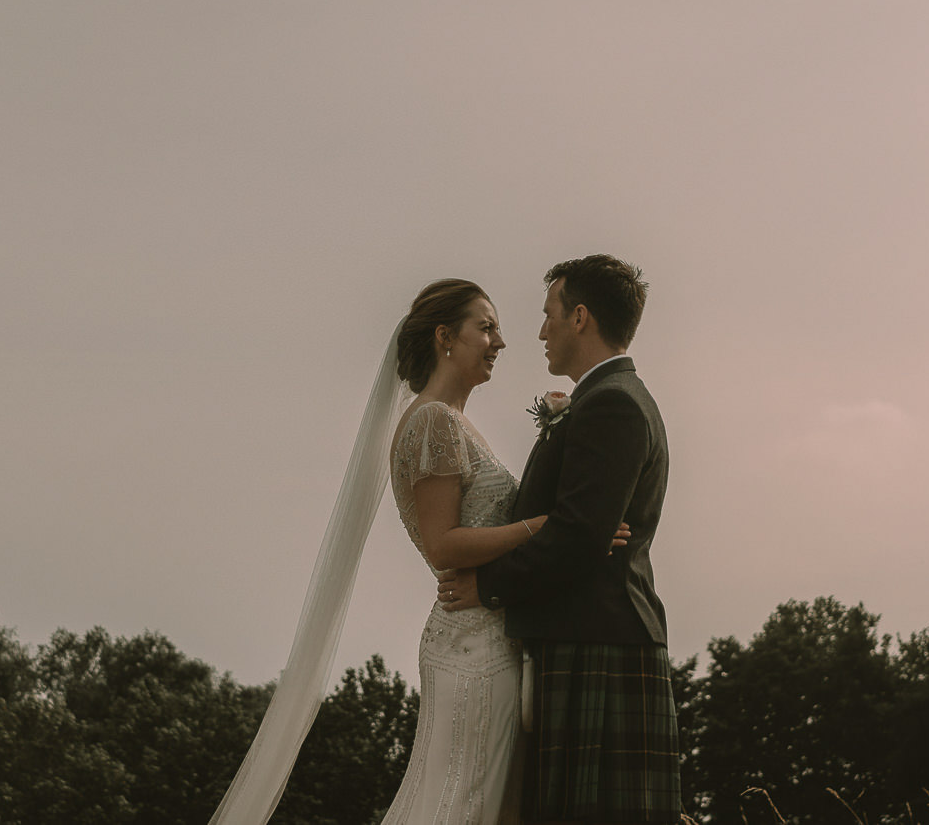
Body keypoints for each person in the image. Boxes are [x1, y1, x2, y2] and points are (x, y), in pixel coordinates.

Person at [204, 278, 631, 825]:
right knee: (464, 802)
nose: (501, 341)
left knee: (485, 804)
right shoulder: (432, 421)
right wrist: (551, 526)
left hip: (484, 633)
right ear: (444, 337)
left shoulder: (454, 422)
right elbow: (443, 544)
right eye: (487, 327)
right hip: (471, 643)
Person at [437, 255, 680, 825]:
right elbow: (579, 528)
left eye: (549, 314)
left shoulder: (613, 404)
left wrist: (487, 586)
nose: (540, 330)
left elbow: (577, 537)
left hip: (597, 638)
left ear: (580, 318)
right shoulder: (604, 399)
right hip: (590, 635)